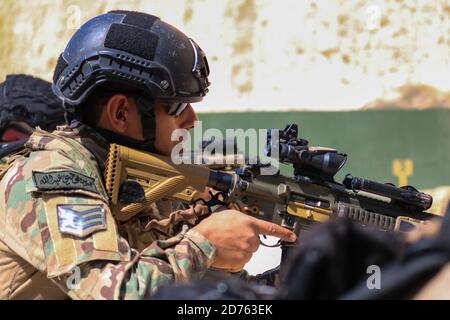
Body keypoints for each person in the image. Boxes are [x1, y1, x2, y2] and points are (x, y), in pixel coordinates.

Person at [0, 10, 296, 300]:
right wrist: (204, 244)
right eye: (178, 107)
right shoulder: (51, 174)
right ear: (120, 113)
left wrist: (305, 270)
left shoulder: (131, 178)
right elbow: (116, 292)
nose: (192, 120)